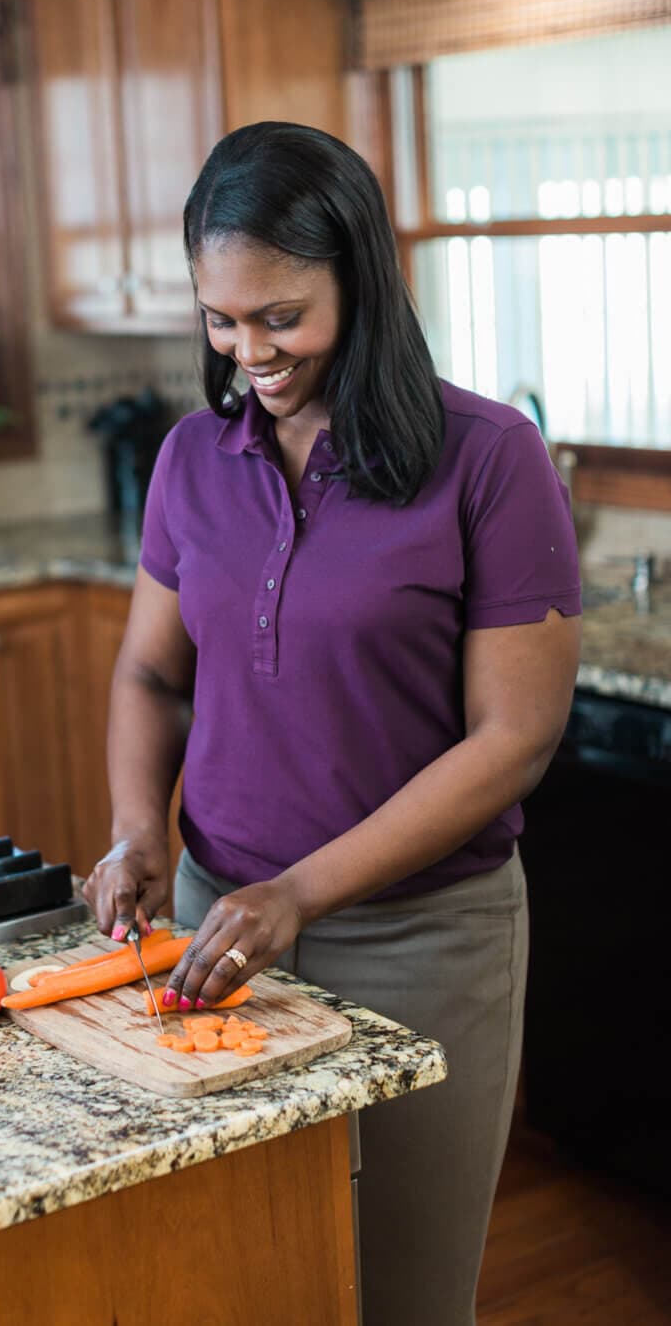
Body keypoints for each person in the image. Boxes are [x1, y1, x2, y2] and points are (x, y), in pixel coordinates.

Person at [83, 122, 582, 1326]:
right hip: (218, 932)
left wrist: (302, 892)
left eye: (279, 315)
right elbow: (153, 675)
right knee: (242, 1284)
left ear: (358, 277)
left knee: (404, 1301)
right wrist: (139, 834)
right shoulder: (191, 460)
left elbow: (511, 738)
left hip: (424, 944)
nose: (246, 349)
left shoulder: (488, 460)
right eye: (220, 317)